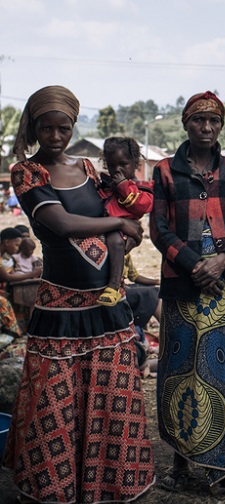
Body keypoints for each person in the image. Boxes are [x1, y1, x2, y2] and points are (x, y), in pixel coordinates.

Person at [4, 85, 154, 503]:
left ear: (73, 127)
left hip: (106, 304)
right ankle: (56, 485)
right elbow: (63, 224)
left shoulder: (89, 168)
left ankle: (108, 483)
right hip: (61, 308)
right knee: (57, 402)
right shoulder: (27, 173)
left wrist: (127, 228)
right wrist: (118, 228)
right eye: (46, 128)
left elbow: (118, 210)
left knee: (110, 399)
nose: (55, 136)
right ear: (34, 128)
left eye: (63, 128)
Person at [150, 90, 225, 496]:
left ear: (221, 126)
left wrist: (223, 260)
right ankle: (181, 463)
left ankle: (223, 468)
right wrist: (196, 264)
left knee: (223, 375)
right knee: (180, 373)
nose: (207, 128)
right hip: (184, 284)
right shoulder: (164, 171)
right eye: (199, 120)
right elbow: (158, 229)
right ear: (185, 123)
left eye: (214, 121)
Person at [97, 136, 154, 306]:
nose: (117, 170)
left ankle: (113, 287)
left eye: (123, 164)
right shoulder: (105, 184)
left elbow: (142, 207)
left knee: (115, 240)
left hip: (121, 231)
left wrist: (123, 186)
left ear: (136, 163)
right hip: (103, 227)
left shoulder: (141, 186)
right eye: (112, 165)